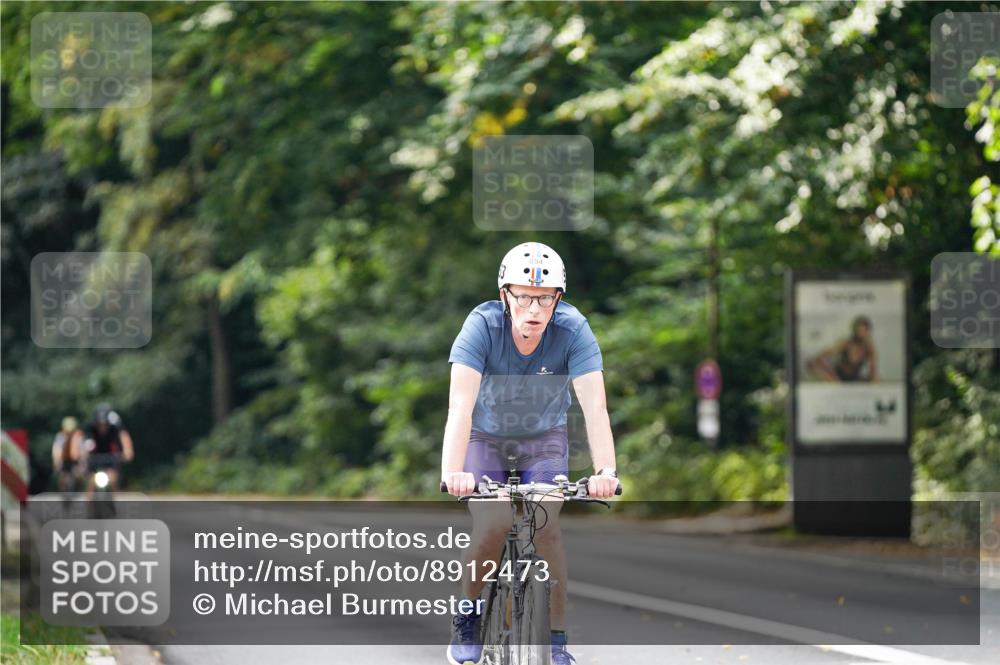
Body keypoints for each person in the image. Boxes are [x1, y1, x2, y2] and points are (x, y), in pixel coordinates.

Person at [442, 242, 618, 665]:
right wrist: (453, 471)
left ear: (558, 298)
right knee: (496, 521)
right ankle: (468, 614)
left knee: (546, 523)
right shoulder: (481, 327)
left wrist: (605, 470)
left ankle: (555, 641)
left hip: (544, 440)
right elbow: (459, 407)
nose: (534, 308)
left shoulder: (573, 329)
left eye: (545, 297)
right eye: (523, 295)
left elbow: (595, 407)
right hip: (486, 439)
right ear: (505, 295)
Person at [72, 404, 135, 492]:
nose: (102, 427)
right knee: (91, 484)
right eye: (100, 424)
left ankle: (114, 502)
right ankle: (89, 504)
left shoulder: (115, 428)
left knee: (113, 480)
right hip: (93, 459)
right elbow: (77, 436)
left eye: (105, 424)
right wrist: (75, 451)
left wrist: (128, 451)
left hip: (111, 459)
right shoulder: (90, 427)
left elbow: (124, 436)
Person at [807, 315, 878, 383]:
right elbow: (820, 357)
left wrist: (873, 383)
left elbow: (873, 371)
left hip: (854, 379)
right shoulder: (846, 343)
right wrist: (830, 376)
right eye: (859, 331)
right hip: (838, 377)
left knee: (874, 381)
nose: (861, 333)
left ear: (867, 332)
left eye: (863, 331)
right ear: (854, 331)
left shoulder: (869, 347)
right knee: (813, 365)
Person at [52, 416, 82, 494]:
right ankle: (62, 494)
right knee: (62, 479)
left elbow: (83, 451)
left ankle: (78, 492)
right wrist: (56, 463)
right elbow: (56, 450)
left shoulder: (78, 436)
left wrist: (82, 464)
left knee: (78, 476)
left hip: (75, 461)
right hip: (64, 461)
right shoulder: (60, 436)